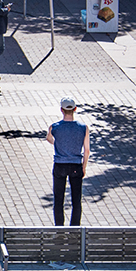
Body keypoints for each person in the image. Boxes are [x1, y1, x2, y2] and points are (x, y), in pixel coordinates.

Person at [45, 97, 91, 226]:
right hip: (76, 165)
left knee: (58, 200)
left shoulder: (54, 127)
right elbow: (86, 150)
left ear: (61, 110)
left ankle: (59, 229)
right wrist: (84, 167)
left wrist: (58, 144)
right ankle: (75, 229)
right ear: (75, 109)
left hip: (60, 165)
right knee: (76, 200)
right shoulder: (83, 128)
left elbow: (49, 138)